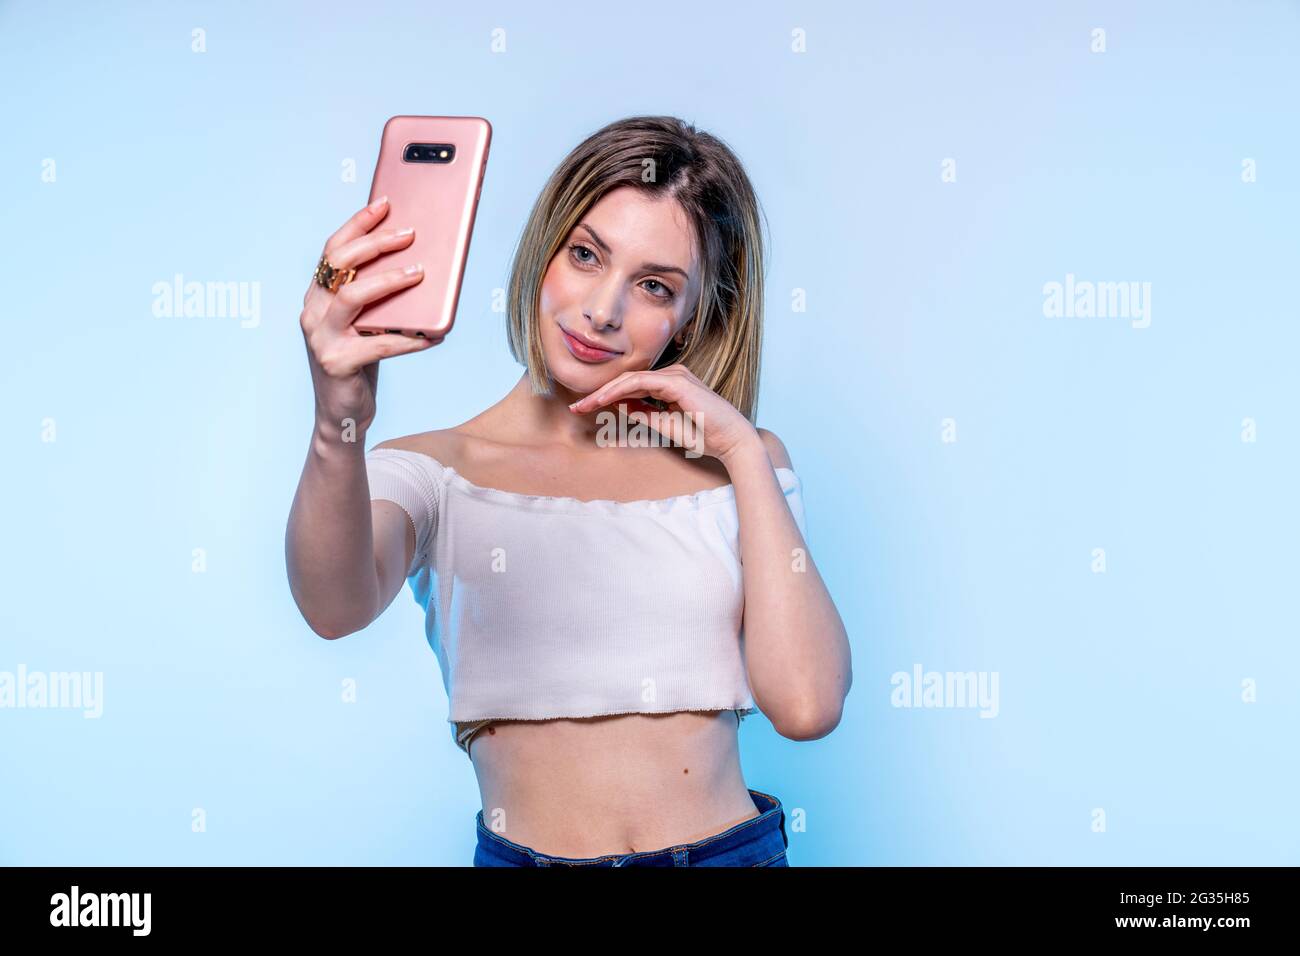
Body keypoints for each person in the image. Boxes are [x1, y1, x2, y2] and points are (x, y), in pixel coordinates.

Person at [285, 115, 852, 866]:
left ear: (690, 318)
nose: (602, 310)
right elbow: (332, 606)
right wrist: (338, 417)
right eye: (586, 255)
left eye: (653, 285)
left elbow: (808, 705)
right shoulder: (434, 471)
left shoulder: (738, 469)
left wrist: (743, 451)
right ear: (544, 251)